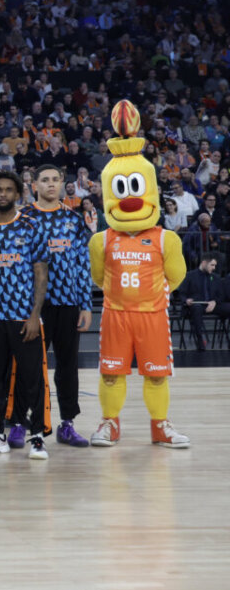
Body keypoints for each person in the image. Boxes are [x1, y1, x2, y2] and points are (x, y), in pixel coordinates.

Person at [90, 101, 190, 449]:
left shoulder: (166, 238)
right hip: (116, 315)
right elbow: (97, 277)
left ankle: (160, 427)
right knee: (111, 373)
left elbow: (176, 276)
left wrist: (152, 294)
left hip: (152, 315)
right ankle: (109, 424)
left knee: (157, 376)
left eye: (137, 188)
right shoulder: (101, 239)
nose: (130, 198)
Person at [0, 171, 51, 460]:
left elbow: (41, 274)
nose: (3, 194)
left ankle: (38, 437)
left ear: (18, 194)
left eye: (9, 190)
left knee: (32, 379)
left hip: (23, 317)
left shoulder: (32, 227)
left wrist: (34, 315)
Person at [21, 165, 93, 447]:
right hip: (32, 307)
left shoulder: (73, 220)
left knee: (67, 365)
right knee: (29, 366)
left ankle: (67, 423)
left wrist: (85, 305)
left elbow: (82, 265)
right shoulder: (23, 218)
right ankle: (22, 422)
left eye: (55, 180)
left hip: (67, 303)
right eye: (45, 180)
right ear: (34, 185)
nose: (51, 184)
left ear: (62, 183)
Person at [175, 252, 229, 351]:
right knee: (196, 308)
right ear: (204, 263)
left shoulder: (215, 277)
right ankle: (200, 341)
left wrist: (214, 302)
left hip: (212, 305)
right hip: (196, 305)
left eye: (215, 265)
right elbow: (181, 293)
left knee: (228, 307)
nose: (214, 268)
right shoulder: (190, 276)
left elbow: (222, 295)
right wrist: (186, 300)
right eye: (212, 265)